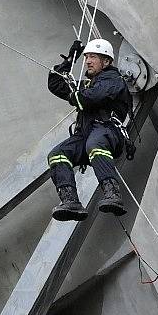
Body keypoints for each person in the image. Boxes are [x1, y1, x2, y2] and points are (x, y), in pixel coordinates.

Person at [47, 38, 132, 221]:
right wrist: (71, 59)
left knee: (95, 143)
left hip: (108, 133)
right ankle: (71, 201)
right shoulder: (88, 85)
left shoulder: (114, 80)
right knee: (58, 154)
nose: (88, 61)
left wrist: (77, 96)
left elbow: (93, 97)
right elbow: (55, 84)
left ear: (107, 61)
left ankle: (112, 193)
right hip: (86, 136)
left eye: (93, 57)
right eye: (86, 57)